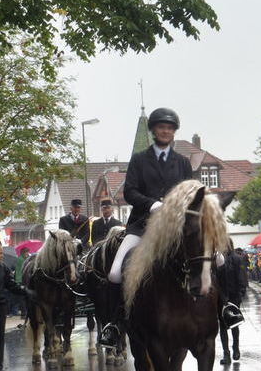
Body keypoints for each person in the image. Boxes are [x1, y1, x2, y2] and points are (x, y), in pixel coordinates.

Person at [101, 107, 193, 347]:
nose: (166, 131)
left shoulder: (182, 162)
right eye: (162, 127)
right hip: (143, 225)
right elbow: (129, 191)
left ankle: (225, 307)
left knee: (217, 258)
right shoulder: (139, 160)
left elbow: (190, 191)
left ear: (174, 132)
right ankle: (115, 323)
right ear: (154, 130)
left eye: (170, 128)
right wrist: (151, 205)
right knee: (115, 272)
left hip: (176, 226)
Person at [0, 243, 26, 371]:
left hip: (0, 308)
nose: (2, 255)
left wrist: (27, 291)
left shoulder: (4, 268)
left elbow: (12, 285)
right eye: (0, 253)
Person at [217, 240, 245, 365]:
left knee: (234, 323)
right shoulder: (218, 259)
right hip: (221, 297)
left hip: (233, 296)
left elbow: (241, 276)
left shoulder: (237, 259)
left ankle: (235, 348)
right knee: (223, 326)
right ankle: (226, 353)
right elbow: (215, 279)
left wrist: (240, 293)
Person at [12, 248, 29, 318]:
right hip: (20, 280)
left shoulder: (21, 259)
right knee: (22, 298)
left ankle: (23, 312)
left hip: (20, 279)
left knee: (21, 297)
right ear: (23, 253)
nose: (28, 254)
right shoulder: (21, 259)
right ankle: (24, 313)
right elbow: (26, 267)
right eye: (27, 253)